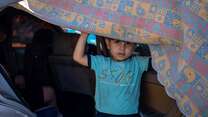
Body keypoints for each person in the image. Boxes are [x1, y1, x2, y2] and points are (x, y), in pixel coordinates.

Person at [73, 32, 149, 117]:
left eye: (128, 43)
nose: (122, 47)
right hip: (103, 113)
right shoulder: (100, 62)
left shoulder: (139, 63)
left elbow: (160, 62)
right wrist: (84, 34)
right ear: (108, 44)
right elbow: (77, 57)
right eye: (117, 41)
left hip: (130, 114)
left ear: (134, 46)